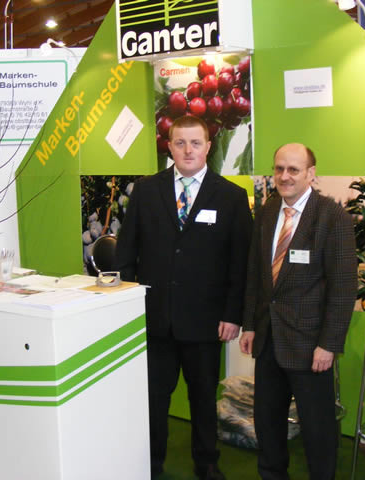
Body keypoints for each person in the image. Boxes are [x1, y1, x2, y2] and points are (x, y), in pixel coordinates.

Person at [115, 115, 253, 480]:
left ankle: (206, 464)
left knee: (203, 399)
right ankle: (150, 465)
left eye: (195, 143)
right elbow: (126, 254)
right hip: (155, 319)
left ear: (208, 146)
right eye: (180, 143)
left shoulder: (231, 197)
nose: (188, 150)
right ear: (170, 146)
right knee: (153, 399)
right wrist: (130, 308)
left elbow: (240, 264)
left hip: (207, 322)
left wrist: (233, 315)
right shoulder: (146, 190)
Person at [239, 143, 357, 480]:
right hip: (268, 338)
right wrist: (249, 325)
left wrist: (329, 344)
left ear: (310, 174)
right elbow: (255, 273)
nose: (284, 176)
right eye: (279, 169)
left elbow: (343, 287)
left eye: (293, 169)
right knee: (268, 422)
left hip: (310, 344)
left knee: (318, 429)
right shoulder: (267, 212)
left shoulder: (332, 217)